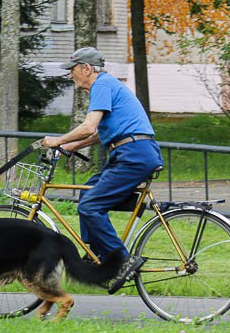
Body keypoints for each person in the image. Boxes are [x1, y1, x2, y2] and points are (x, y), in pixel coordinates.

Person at [40, 46, 163, 294]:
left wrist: (57, 140)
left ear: (86, 68)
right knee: (88, 191)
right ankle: (96, 253)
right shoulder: (107, 85)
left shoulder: (102, 85)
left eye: (72, 69)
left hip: (133, 155)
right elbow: (98, 133)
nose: (70, 75)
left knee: (90, 206)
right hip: (130, 153)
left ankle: (123, 261)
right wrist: (72, 146)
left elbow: (89, 126)